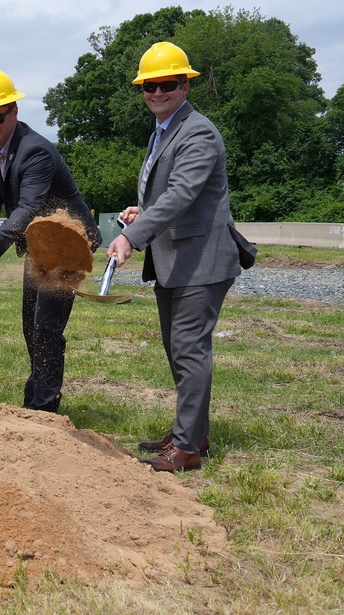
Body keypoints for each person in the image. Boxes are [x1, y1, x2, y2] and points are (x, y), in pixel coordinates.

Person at [107, 42, 245, 472]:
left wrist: (133, 234)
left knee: (188, 349)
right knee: (178, 349)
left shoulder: (198, 131)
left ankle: (186, 451)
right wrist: (143, 212)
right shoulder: (163, 130)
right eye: (150, 85)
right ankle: (193, 433)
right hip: (177, 261)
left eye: (168, 84)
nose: (157, 92)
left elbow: (183, 193)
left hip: (201, 260)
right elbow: (168, 193)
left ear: (185, 85)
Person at [0, 69, 101, 414]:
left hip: (68, 242)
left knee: (46, 325)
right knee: (30, 324)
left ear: (14, 111)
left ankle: (44, 406)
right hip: (41, 242)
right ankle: (37, 395)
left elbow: (30, 206)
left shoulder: (36, 151)